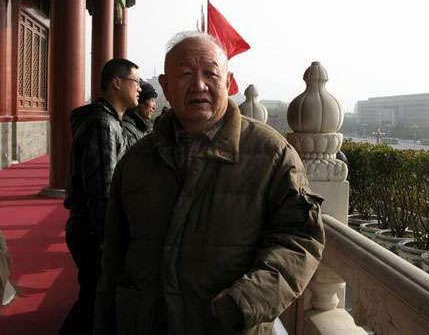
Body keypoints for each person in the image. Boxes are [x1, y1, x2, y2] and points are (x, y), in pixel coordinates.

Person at [94, 31, 325, 335]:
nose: (199, 86)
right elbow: (113, 256)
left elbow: (300, 239)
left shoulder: (271, 154)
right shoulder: (138, 160)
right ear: (165, 86)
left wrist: (246, 300)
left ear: (228, 82)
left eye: (210, 74)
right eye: (186, 74)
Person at [61, 58, 141, 335]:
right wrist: (112, 240)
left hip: (88, 228)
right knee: (93, 301)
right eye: (136, 82)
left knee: (93, 297)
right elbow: (102, 190)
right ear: (117, 83)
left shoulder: (108, 121)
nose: (139, 88)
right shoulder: (103, 124)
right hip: (93, 232)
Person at [123, 79, 158, 145]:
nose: (154, 107)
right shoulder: (128, 130)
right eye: (152, 100)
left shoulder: (143, 128)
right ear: (139, 102)